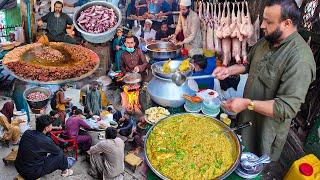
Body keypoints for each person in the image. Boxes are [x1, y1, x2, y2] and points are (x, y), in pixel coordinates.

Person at [212, 0, 316, 161]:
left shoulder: (300, 60)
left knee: (255, 164)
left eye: (268, 21)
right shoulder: (267, 40)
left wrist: (247, 103)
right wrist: (228, 70)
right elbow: (248, 64)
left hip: (266, 131)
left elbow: (286, 108)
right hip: (246, 118)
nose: (261, 25)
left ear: (287, 23)